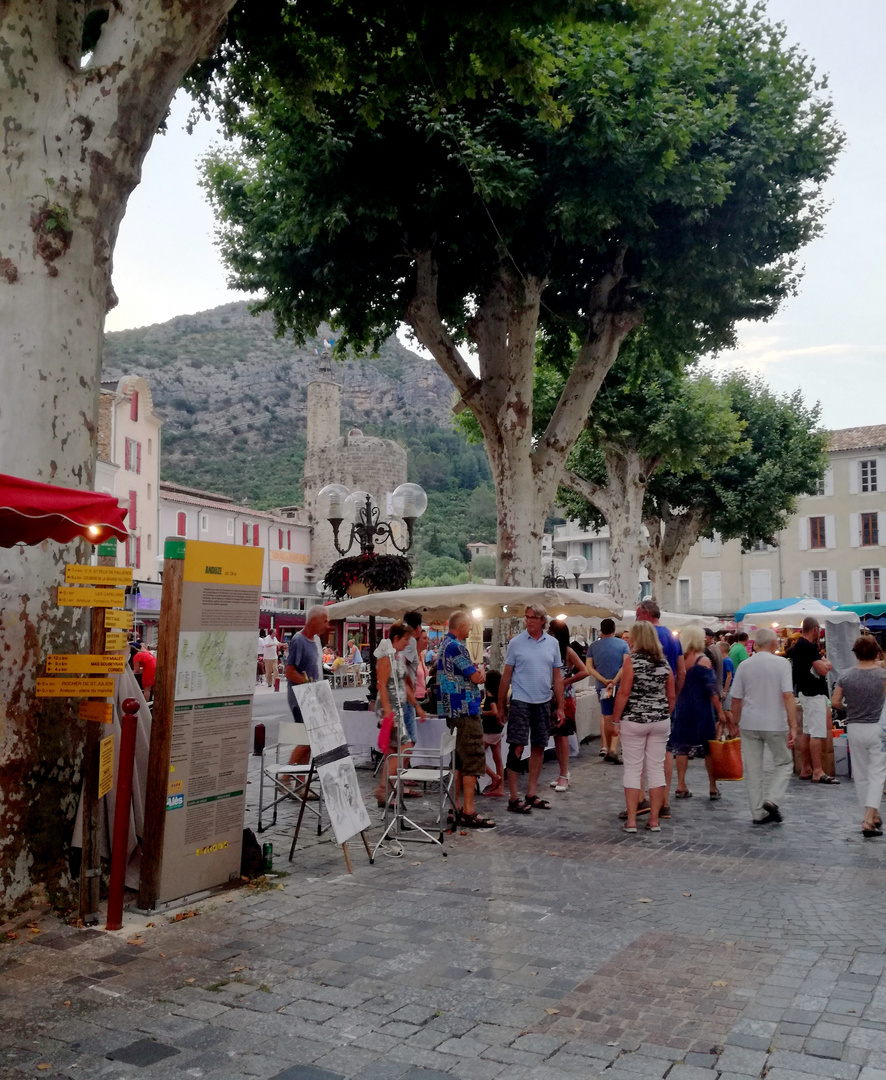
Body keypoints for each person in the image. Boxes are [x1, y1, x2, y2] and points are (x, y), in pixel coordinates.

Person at [497, 604, 564, 815]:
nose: (529, 621)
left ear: (542, 620)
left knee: (539, 746)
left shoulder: (552, 643)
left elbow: (557, 676)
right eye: (527, 617)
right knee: (516, 746)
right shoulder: (516, 643)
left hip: (543, 700)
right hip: (520, 699)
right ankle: (514, 796)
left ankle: (531, 792)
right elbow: (506, 674)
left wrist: (561, 706)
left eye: (533, 618)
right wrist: (501, 704)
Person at [730, 628, 799, 825]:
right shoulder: (782, 664)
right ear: (774, 643)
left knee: (753, 770)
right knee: (784, 763)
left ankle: (758, 813)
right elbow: (787, 695)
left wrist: (735, 721)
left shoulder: (745, 665)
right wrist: (793, 725)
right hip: (774, 722)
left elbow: (736, 698)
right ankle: (772, 798)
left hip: (750, 722)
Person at [611, 621, 675, 833]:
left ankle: (631, 821)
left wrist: (615, 720)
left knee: (633, 768)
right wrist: (665, 712)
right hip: (659, 720)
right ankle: (654, 820)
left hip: (634, 720)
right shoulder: (664, 664)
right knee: (656, 769)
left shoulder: (632, 662)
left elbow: (624, 692)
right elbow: (671, 694)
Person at [437, 610, 494, 828]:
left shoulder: (443, 646)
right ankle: (469, 811)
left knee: (458, 762)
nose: (470, 630)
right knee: (472, 758)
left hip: (452, 710)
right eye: (469, 626)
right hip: (464, 709)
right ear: (461, 626)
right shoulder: (457, 647)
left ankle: (455, 807)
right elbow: (475, 675)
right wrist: (481, 673)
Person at [831, 635, 886, 837]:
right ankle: (868, 820)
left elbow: (835, 702)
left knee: (861, 774)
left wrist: (850, 708)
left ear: (856, 654)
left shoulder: (846, 676)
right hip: (878, 727)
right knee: (878, 774)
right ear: (876, 652)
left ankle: (872, 813)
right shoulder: (882, 675)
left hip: (854, 727)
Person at [669, 626, 728, 801]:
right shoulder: (702, 661)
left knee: (682, 748)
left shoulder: (680, 660)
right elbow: (711, 691)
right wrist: (720, 711)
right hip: (702, 710)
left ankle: (680, 785)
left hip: (683, 708)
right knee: (709, 749)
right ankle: (712, 786)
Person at [374, 622, 427, 808]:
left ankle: (385, 790)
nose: (407, 643)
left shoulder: (397, 657)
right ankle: (384, 788)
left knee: (393, 750)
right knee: (405, 746)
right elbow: (382, 684)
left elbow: (404, 684)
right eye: (405, 639)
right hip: (390, 708)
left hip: (398, 707)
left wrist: (416, 706)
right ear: (396, 638)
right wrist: (388, 711)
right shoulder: (386, 657)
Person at [789, 616, 837, 783]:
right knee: (816, 733)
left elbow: (823, 664)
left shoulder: (800, 646)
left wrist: (824, 663)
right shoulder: (808, 646)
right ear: (815, 628)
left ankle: (806, 767)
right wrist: (825, 664)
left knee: (808, 732)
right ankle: (818, 770)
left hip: (805, 692)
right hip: (813, 693)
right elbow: (823, 669)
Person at [285, 606, 330, 767]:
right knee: (308, 739)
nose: (327, 625)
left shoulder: (317, 640)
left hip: (314, 697)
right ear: (314, 620)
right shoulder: (298, 640)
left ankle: (302, 785)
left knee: (310, 740)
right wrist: (307, 683)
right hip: (300, 698)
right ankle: (285, 775)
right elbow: (289, 671)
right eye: (324, 621)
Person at [547, 618, 588, 792]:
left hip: (565, 697)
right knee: (556, 735)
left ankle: (564, 773)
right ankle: (561, 772)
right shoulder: (549, 649)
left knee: (563, 734)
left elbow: (584, 671)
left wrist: (567, 681)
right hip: (551, 697)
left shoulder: (568, 651)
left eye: (551, 631)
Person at [586, 618, 630, 762]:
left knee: (606, 716)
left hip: (602, 686)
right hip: (620, 686)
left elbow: (589, 668)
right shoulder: (623, 644)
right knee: (619, 716)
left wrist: (604, 680)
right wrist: (615, 680)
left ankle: (608, 747)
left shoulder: (593, 646)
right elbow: (626, 665)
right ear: (613, 629)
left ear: (601, 630)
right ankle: (613, 749)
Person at [481, 670, 505, 797]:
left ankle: (494, 776)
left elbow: (494, 712)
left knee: (477, 755)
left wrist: (481, 712)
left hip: (489, 730)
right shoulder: (499, 694)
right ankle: (500, 787)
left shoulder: (490, 696)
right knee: (498, 759)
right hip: (497, 730)